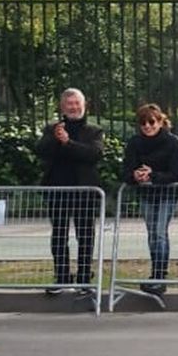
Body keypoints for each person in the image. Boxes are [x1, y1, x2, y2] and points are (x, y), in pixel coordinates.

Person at [34, 88, 105, 292]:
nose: (73, 107)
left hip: (84, 191)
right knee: (59, 234)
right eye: (69, 104)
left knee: (85, 235)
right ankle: (62, 276)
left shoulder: (93, 131)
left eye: (77, 103)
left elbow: (93, 154)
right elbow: (40, 151)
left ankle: (84, 277)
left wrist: (68, 143)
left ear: (84, 106)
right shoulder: (52, 129)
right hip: (57, 190)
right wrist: (56, 139)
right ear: (62, 107)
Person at [122, 102, 178, 295]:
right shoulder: (134, 143)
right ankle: (155, 273)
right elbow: (126, 170)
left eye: (151, 122)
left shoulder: (173, 143)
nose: (147, 126)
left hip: (166, 193)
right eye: (143, 123)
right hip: (147, 194)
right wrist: (136, 175)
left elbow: (175, 174)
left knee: (159, 232)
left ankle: (160, 275)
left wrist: (153, 175)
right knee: (152, 234)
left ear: (160, 122)